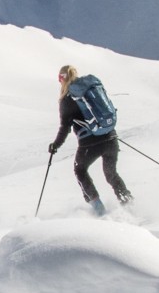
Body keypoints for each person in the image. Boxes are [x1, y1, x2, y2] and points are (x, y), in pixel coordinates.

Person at [48, 65, 133, 210]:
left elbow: (65, 128)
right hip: (111, 138)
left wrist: (55, 145)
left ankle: (99, 209)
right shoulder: (91, 90)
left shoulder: (67, 100)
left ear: (62, 79)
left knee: (80, 170)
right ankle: (128, 203)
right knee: (111, 174)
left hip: (89, 144)